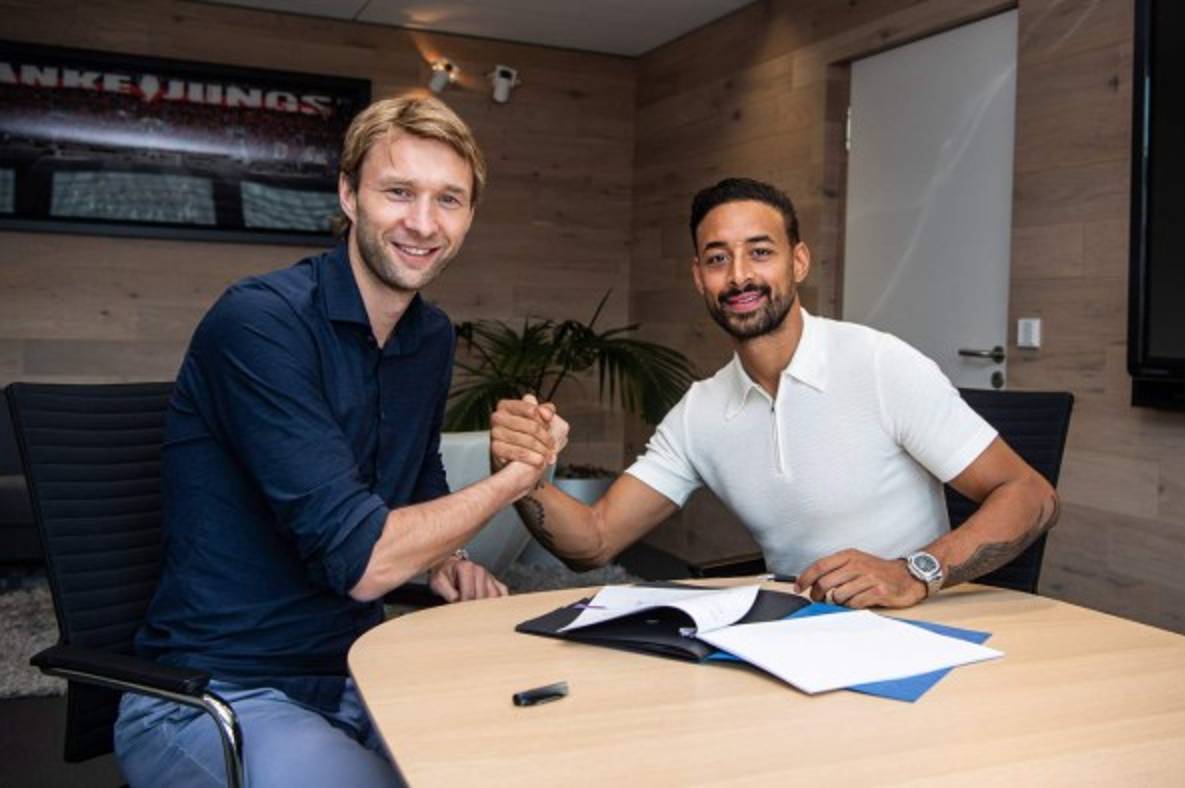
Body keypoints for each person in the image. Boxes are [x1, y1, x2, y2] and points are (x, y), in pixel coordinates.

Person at [115, 93, 548, 787]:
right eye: (398, 192)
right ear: (348, 194)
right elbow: (364, 563)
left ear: (469, 216)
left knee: (532, 761)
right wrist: (513, 480)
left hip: (361, 671)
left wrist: (447, 557)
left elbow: (416, 479)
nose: (423, 223)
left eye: (448, 199)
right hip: (214, 695)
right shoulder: (260, 323)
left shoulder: (430, 337)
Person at [491, 177, 1058, 610]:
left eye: (760, 252)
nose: (739, 276)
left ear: (798, 261)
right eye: (718, 259)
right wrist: (522, 476)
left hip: (919, 629)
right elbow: (593, 541)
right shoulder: (700, 412)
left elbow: (1031, 494)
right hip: (795, 638)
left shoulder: (880, 363)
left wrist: (914, 572)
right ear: (698, 277)